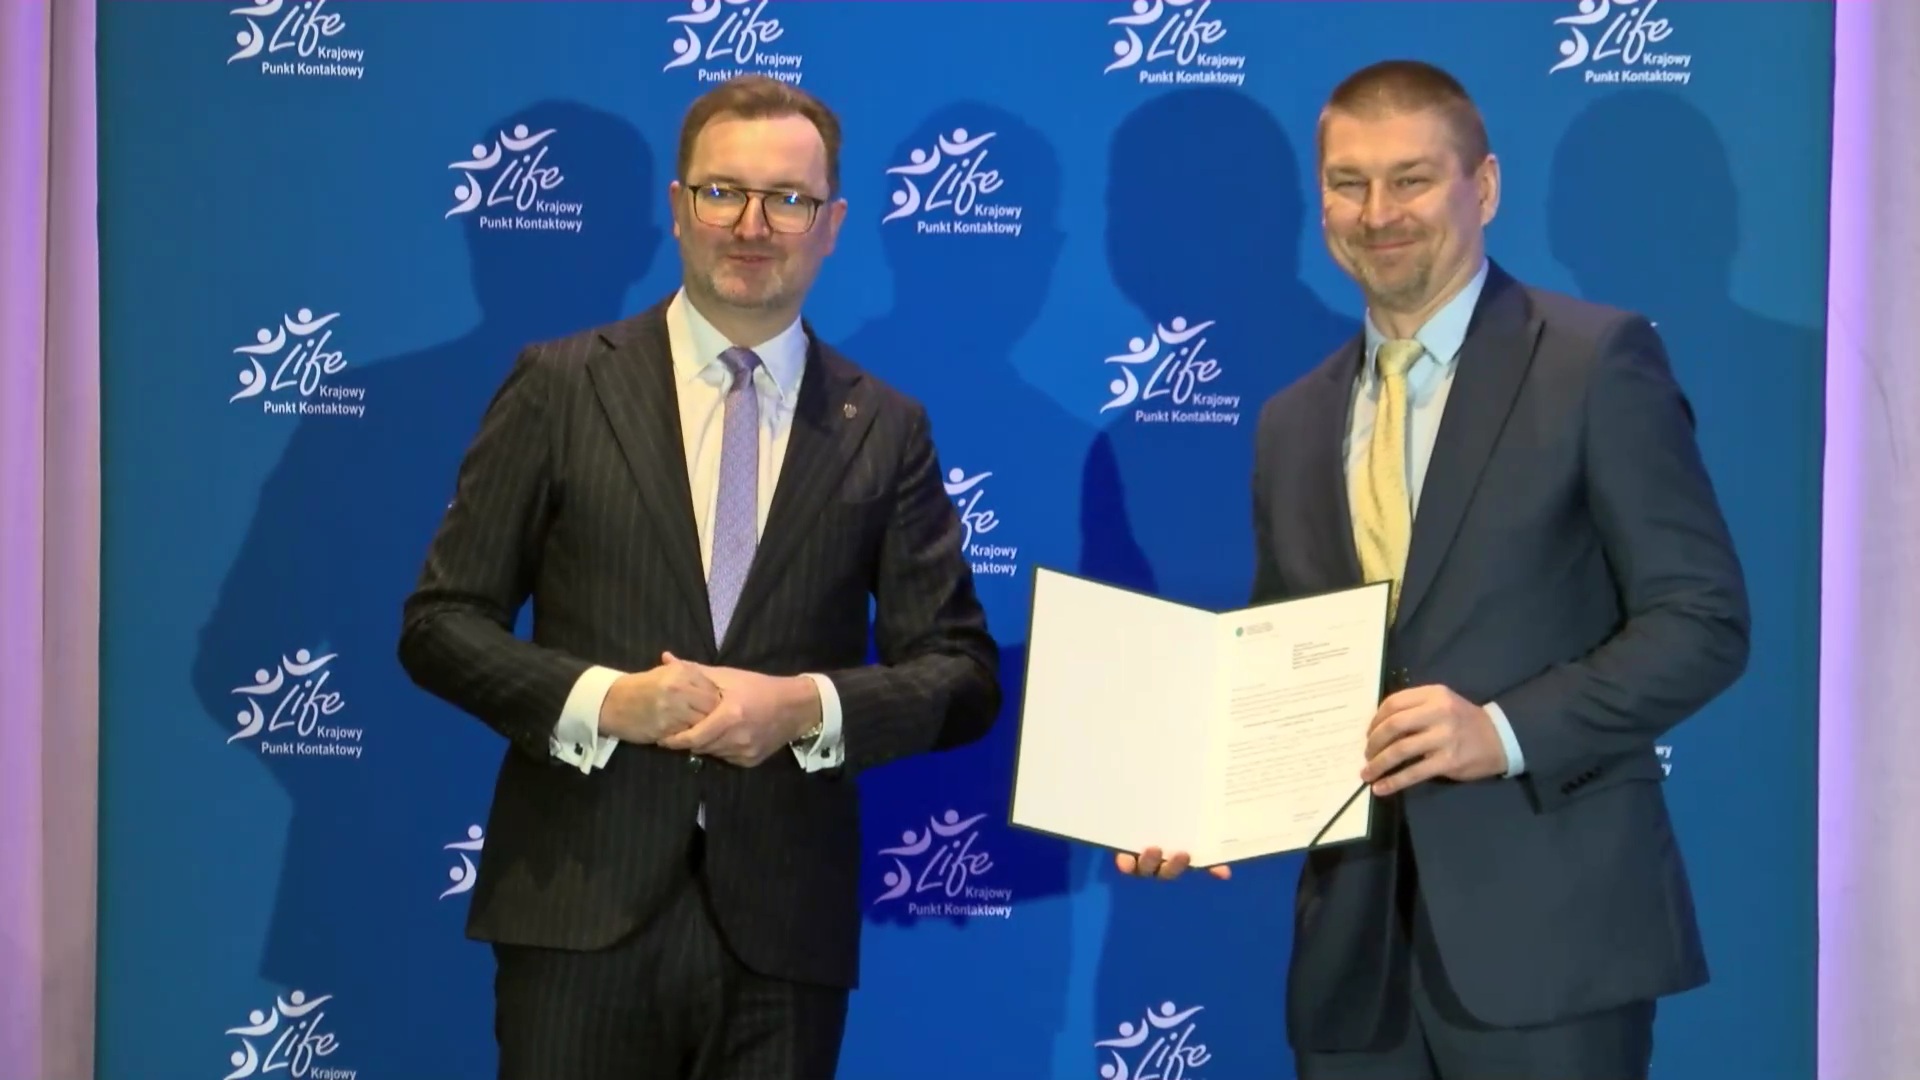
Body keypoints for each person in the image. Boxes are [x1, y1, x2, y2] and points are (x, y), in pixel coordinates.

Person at [1116, 60, 1749, 1079]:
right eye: (1349, 183)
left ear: (1482, 188)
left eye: (1410, 179)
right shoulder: (1292, 420)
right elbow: (1284, 668)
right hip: (1353, 957)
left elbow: (1702, 620)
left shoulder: (1595, 362)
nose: (1378, 214)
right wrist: (1194, 802)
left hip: (1551, 947)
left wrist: (1501, 731)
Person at [397, 75, 1000, 1080]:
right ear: (678, 208)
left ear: (833, 226)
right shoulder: (560, 386)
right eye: (724, 193)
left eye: (789, 200)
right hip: (576, 909)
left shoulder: (887, 428)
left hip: (783, 938)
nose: (752, 226)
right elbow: (441, 621)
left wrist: (803, 708)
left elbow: (961, 672)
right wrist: (608, 702)